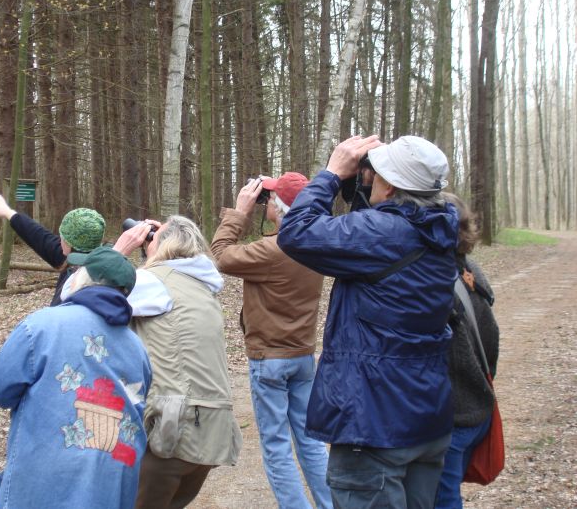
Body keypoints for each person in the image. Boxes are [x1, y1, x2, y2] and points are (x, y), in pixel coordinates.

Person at [277, 135, 460, 509]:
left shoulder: (381, 234)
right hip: (424, 418)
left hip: (374, 426)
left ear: (390, 185)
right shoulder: (439, 229)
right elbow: (377, 222)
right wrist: (360, 182)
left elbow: (296, 232)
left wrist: (330, 174)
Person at [0, 246, 152, 509]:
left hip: (49, 478)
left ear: (83, 279)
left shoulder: (40, 326)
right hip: (114, 481)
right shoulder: (137, 347)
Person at [209, 173, 333, 509]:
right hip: (304, 356)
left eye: (272, 198)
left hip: (270, 360)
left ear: (279, 207)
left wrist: (240, 212)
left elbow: (221, 255)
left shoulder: (274, 250)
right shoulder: (316, 244)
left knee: (277, 447)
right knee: (310, 442)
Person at [108, 215, 243, 509]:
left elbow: (76, 295)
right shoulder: (204, 287)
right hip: (210, 433)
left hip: (171, 433)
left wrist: (119, 252)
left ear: (164, 247)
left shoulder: (152, 283)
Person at [435, 193, 499, 509]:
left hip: (457, 418)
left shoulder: (436, 280)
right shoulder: (471, 271)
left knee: (443, 501)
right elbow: (492, 338)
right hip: (476, 409)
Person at [0, 189, 105, 305]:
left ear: (69, 243)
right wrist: (7, 211)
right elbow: (38, 235)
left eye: (62, 236)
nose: (60, 239)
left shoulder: (87, 283)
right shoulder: (81, 258)